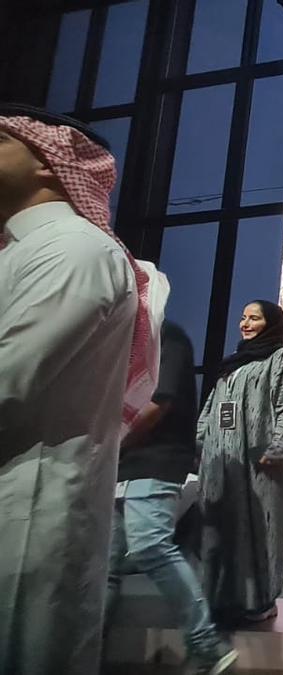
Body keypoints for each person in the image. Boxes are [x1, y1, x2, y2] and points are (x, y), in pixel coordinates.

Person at [0, 104, 156, 674]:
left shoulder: (72, 248)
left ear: (49, 161)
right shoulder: (26, 250)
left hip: (28, 505)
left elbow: (9, 381)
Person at [107, 321, 237, 672]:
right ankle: (85, 649)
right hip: (120, 467)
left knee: (150, 545)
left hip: (155, 463)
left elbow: (159, 401)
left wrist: (111, 441)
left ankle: (206, 642)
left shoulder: (166, 336)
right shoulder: (124, 343)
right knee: (104, 565)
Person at [196, 299, 283, 626]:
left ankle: (261, 600)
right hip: (221, 461)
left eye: (254, 318)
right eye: (243, 317)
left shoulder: (280, 358)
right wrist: (199, 439)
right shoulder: (234, 363)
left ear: (271, 324)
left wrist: (278, 447)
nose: (246, 323)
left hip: (260, 463)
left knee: (261, 530)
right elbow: (213, 406)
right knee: (221, 530)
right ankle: (221, 598)